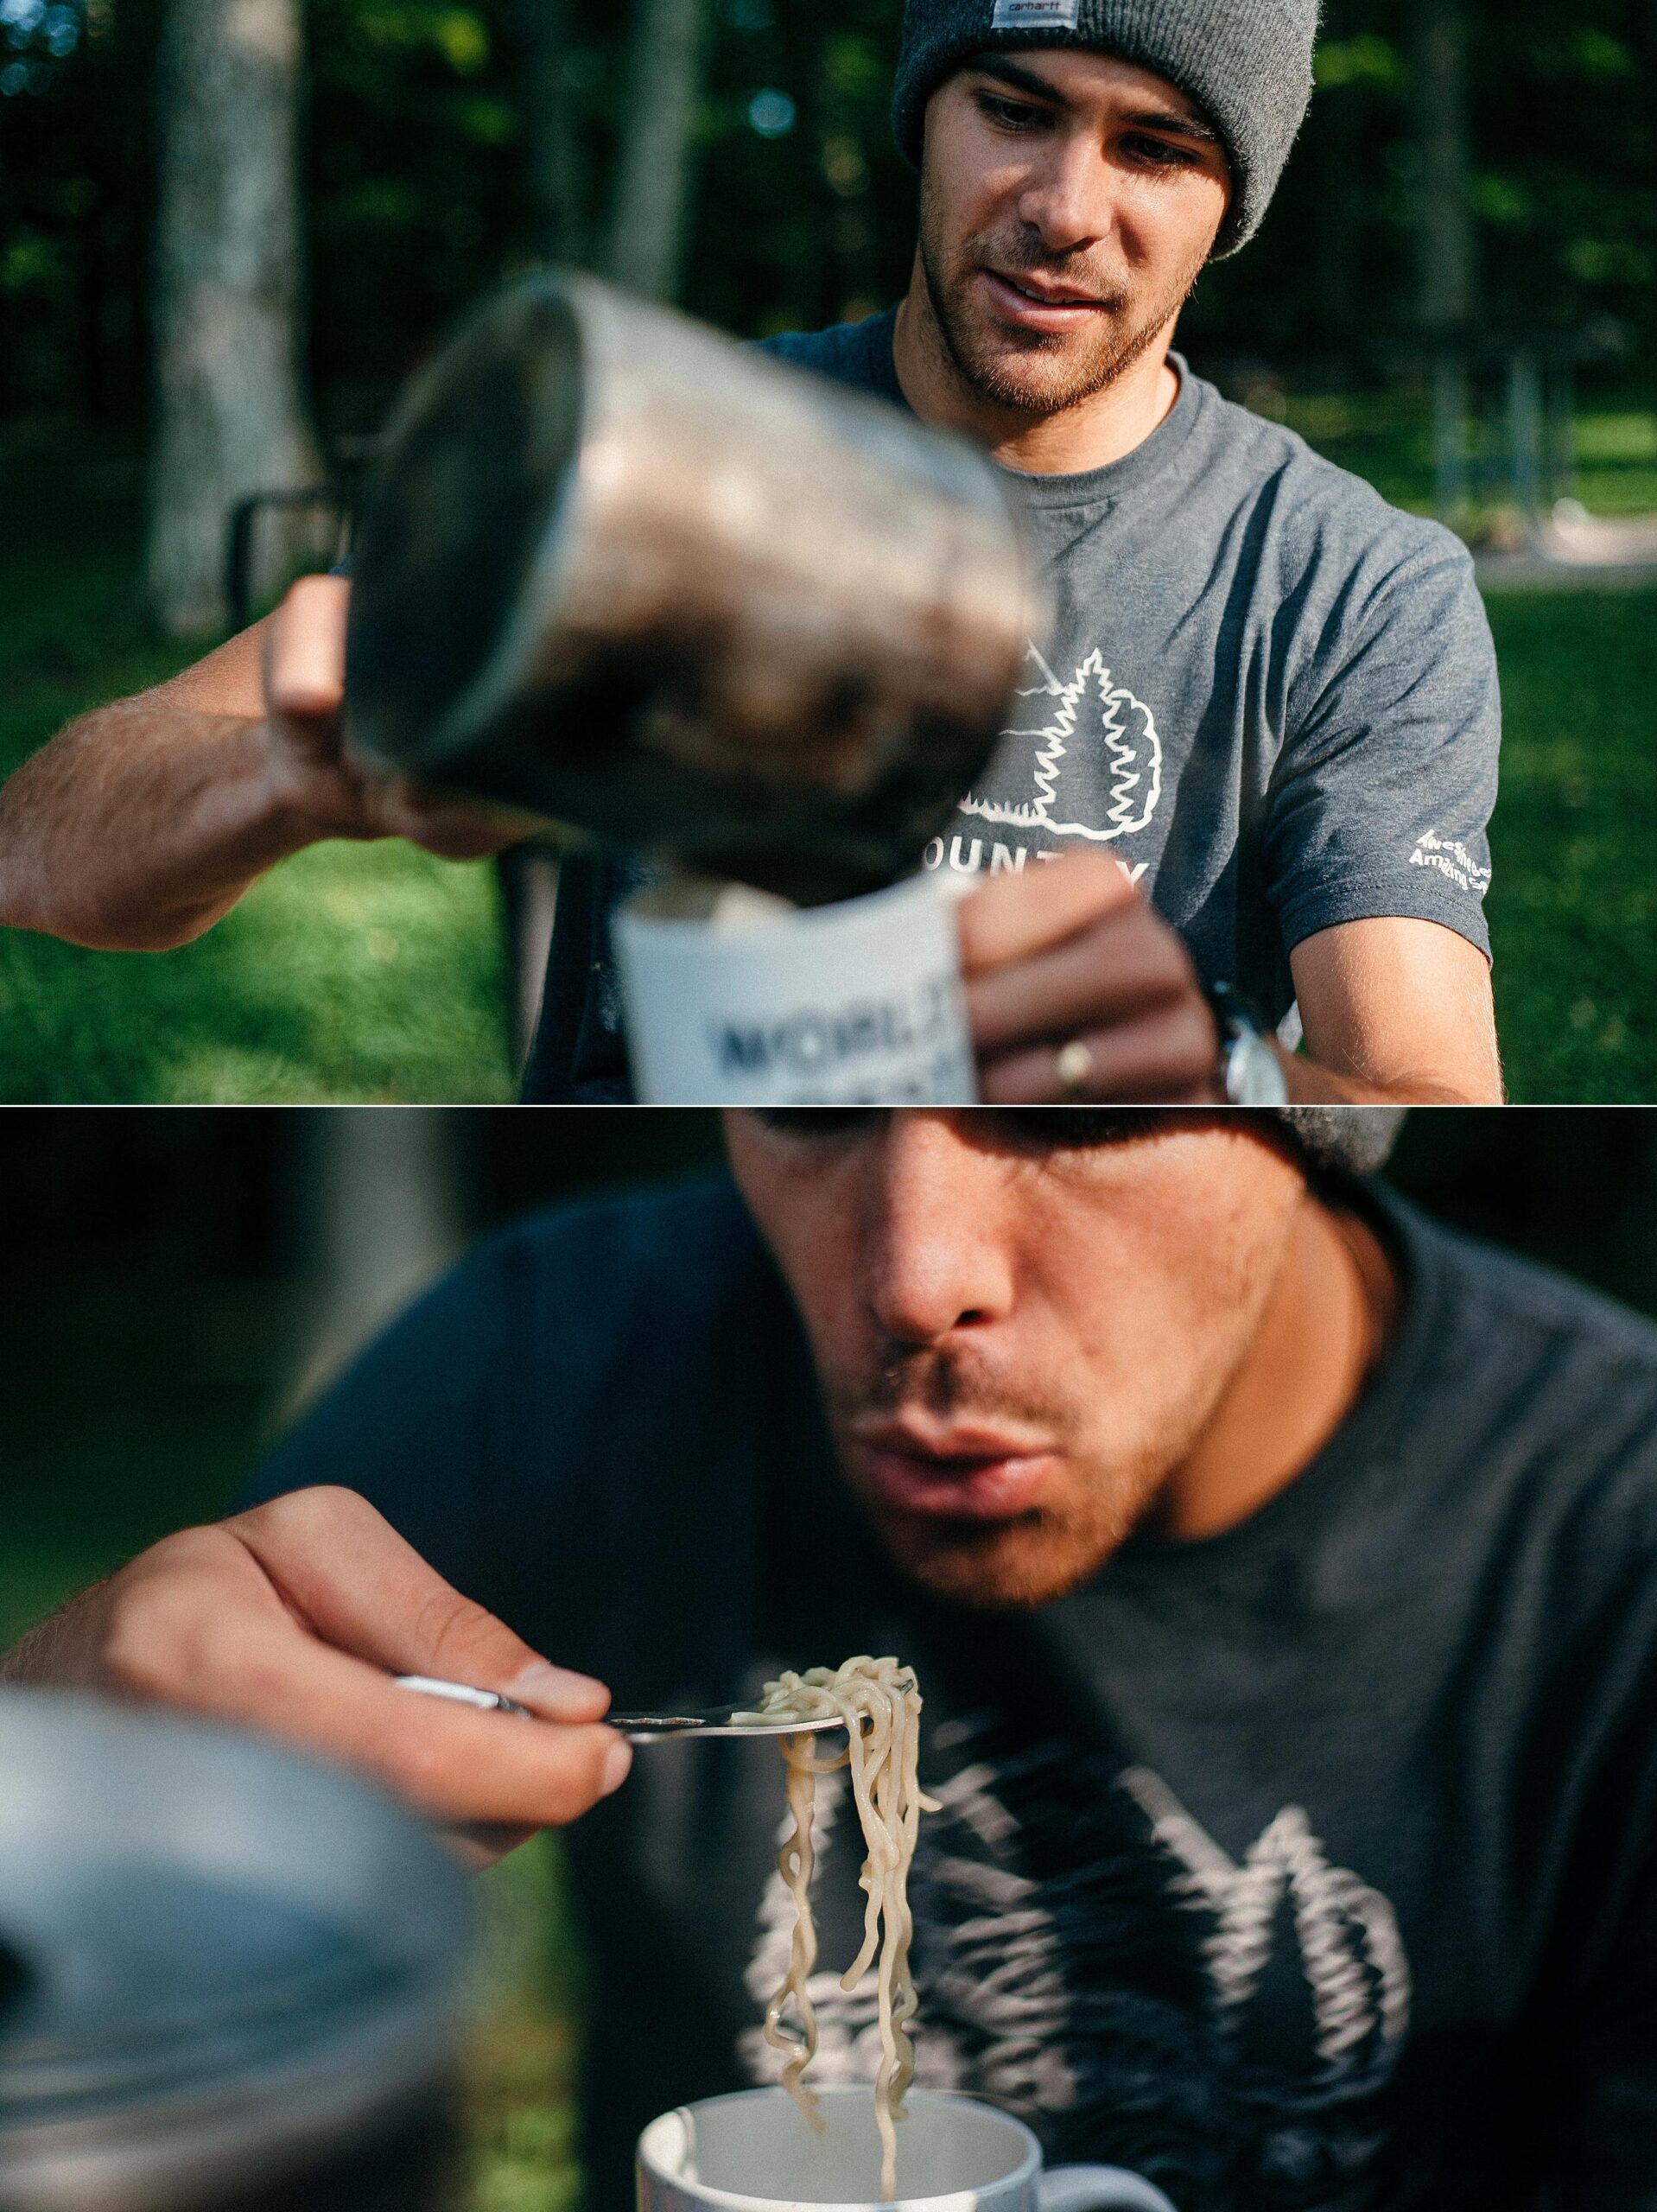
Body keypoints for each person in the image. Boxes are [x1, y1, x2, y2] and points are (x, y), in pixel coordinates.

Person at [10, 1105, 1657, 2210]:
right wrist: (67, 1787)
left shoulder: (1607, 1545)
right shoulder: (557, 1362)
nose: (911, 1281)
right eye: (808, 1107)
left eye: (1072, 1111)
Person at [0, 2, 1504, 1109]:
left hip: (1048, 1253)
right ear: (926, 111)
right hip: (656, 1227)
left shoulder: (1351, 587)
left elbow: (1426, 1101)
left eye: (1157, 150)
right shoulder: (655, 454)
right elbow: (40, 845)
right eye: (1016, 109)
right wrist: (286, 776)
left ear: (1228, 205)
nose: (1063, 210)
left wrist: (1211, 1072)